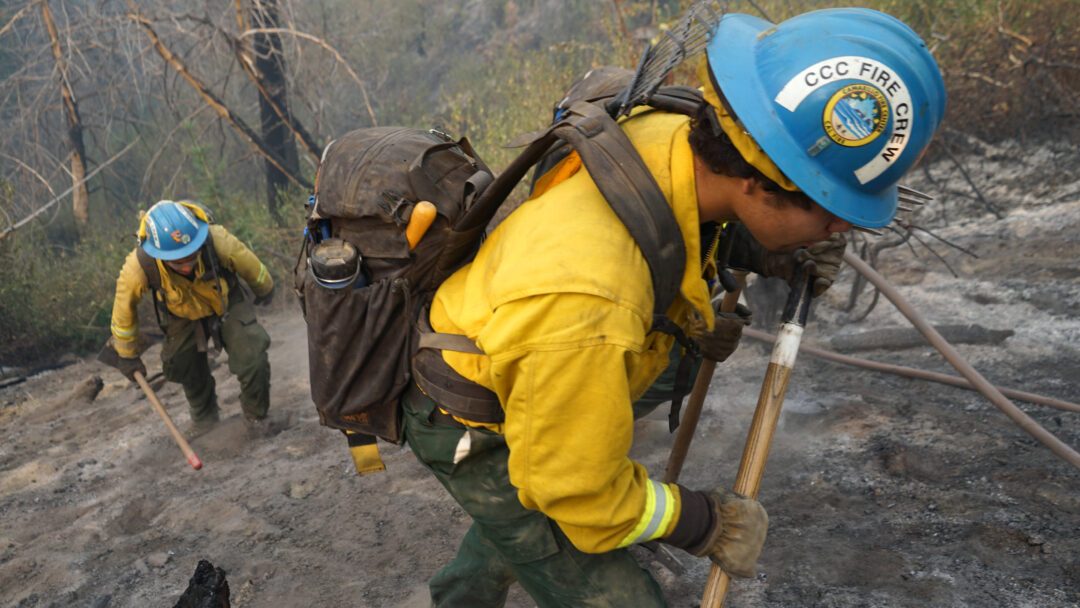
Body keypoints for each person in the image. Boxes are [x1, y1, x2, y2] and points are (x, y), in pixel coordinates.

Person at [403, 7, 946, 607]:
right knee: (591, 561)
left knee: (535, 506)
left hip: (542, 367)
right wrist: (701, 521)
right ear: (756, 179)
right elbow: (575, 490)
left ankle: (465, 590)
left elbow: (690, 218)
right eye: (826, 204)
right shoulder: (587, 296)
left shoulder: (676, 133)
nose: (840, 224)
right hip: (475, 416)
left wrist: (774, 255)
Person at [107, 200, 276, 434]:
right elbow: (123, 314)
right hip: (180, 314)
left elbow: (251, 267)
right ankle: (205, 421)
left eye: (192, 256)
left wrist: (265, 289)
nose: (187, 266)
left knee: (252, 353)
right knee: (183, 364)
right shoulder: (138, 268)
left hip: (226, 302)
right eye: (178, 262)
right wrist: (127, 356)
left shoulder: (218, 241)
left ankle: (256, 417)